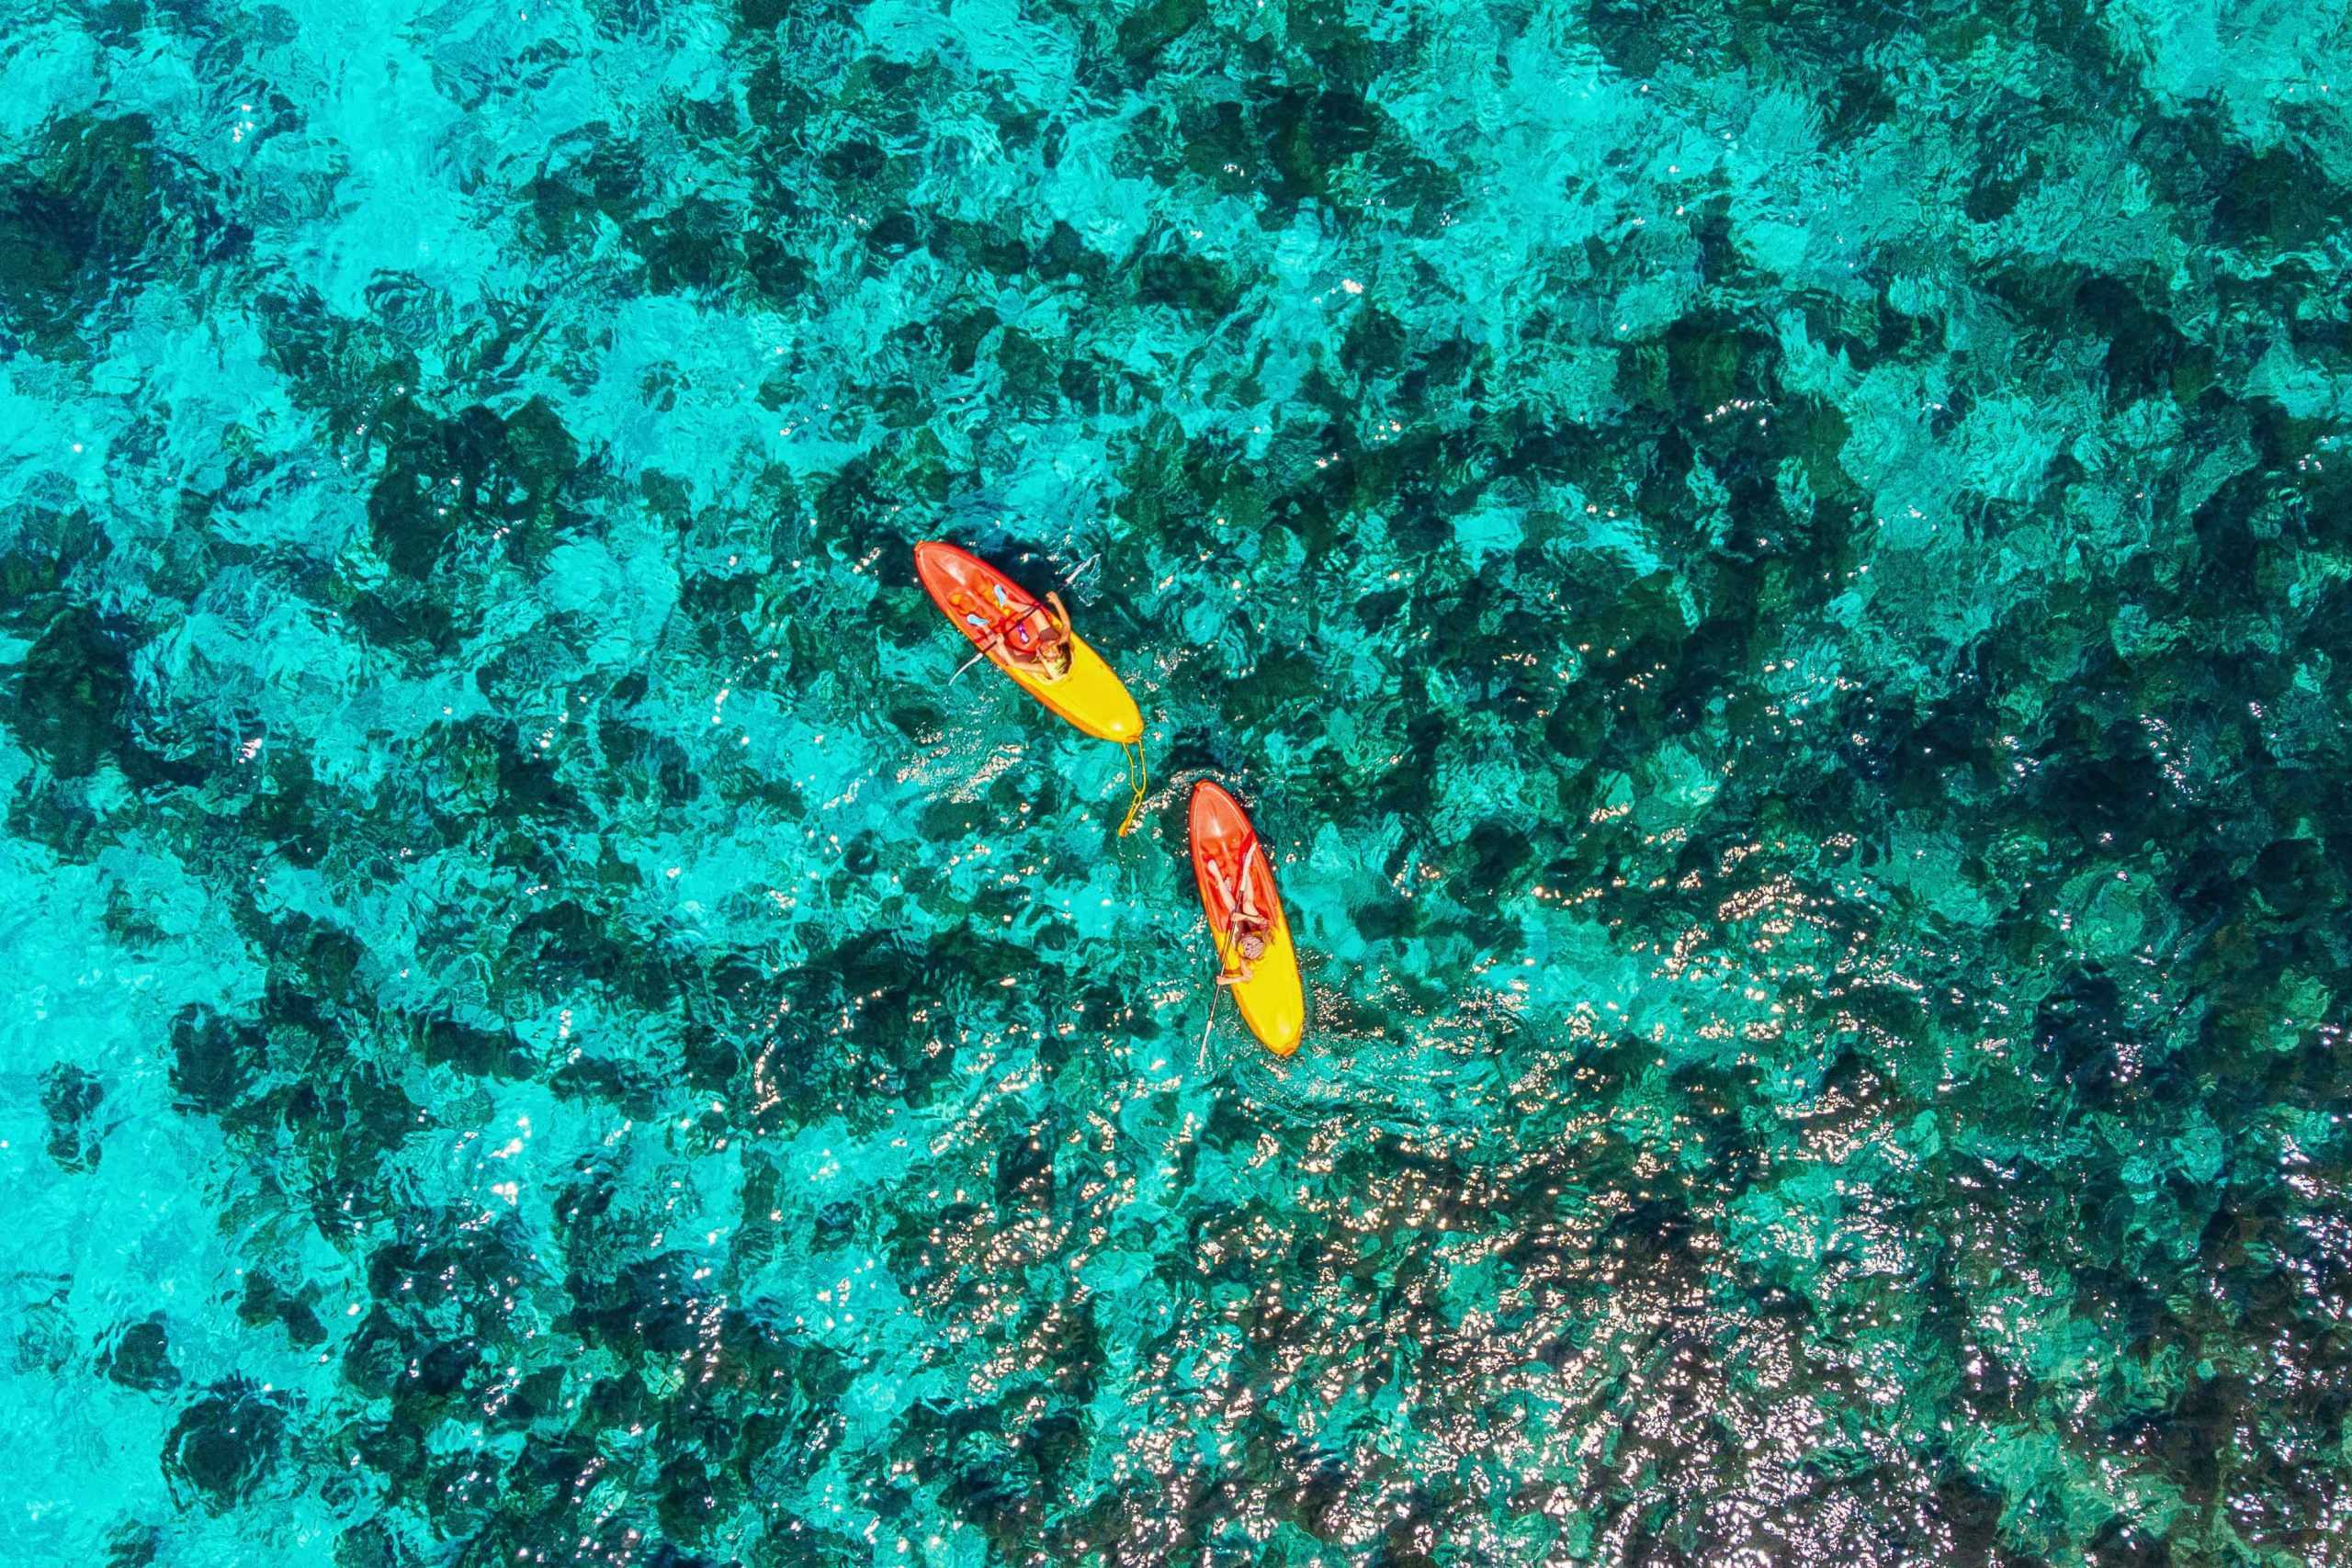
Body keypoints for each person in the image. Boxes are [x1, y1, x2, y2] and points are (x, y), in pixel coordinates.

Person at [965, 591, 1073, 682]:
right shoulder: (1061, 642)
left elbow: (1013, 663)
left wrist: (1001, 644)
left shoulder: (1044, 668)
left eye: (1046, 646)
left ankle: (983, 625)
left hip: (1038, 663)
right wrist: (1056, 601)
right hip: (1053, 654)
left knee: (1001, 651)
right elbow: (1066, 624)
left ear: (1045, 657)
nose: (1049, 642)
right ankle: (1005, 601)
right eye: (1052, 643)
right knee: (1036, 613)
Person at [1207, 844, 1271, 985]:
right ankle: (1245, 869)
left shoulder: (1246, 958)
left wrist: (1227, 981)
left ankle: (1218, 877)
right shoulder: (1267, 938)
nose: (1246, 944)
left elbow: (1247, 977)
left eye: (1247, 949)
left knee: (1233, 911)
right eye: (1250, 943)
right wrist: (1245, 917)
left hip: (1248, 936)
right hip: (1257, 925)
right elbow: (1264, 922)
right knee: (1247, 904)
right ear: (1258, 939)